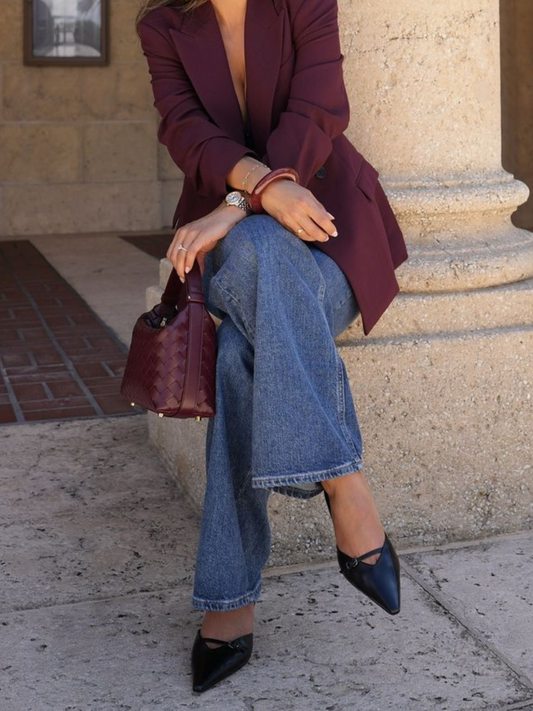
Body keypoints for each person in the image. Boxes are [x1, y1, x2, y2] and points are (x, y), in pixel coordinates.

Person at [136, 0, 408, 693]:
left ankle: (228, 600)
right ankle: (344, 482)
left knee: (238, 355)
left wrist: (250, 197)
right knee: (258, 248)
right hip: (239, 250)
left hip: (328, 236)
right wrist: (253, 194)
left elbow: (319, 108)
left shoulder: (304, 2)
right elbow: (186, 132)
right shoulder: (163, 26)